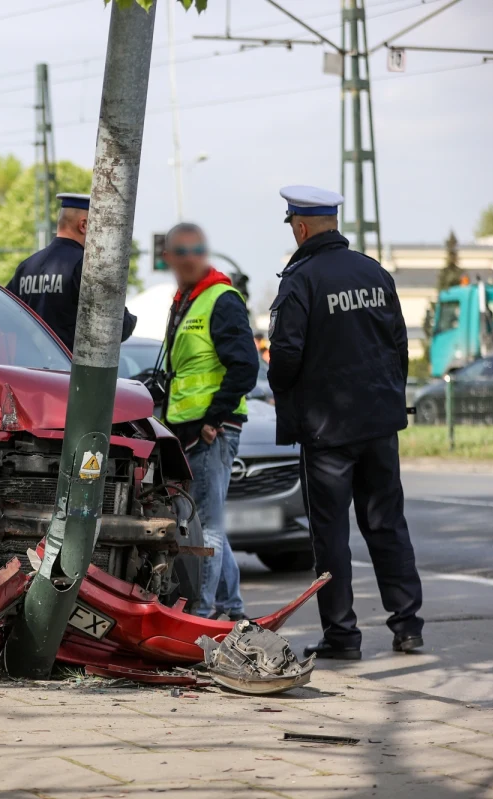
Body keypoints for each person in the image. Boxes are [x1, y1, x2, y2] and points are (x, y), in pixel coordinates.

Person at [267, 185, 424, 660]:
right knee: (388, 525)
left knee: (331, 536)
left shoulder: (301, 280)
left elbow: (285, 356)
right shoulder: (375, 273)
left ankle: (343, 635)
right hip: (379, 425)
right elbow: (400, 347)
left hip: (327, 432)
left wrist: (287, 394)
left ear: (300, 227)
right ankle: (408, 627)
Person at [160, 223, 259, 620]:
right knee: (208, 521)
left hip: (211, 430)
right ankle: (233, 609)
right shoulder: (185, 300)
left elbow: (246, 366)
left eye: (197, 249)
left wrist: (214, 418)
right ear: (168, 257)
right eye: (181, 251)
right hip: (189, 429)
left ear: (207, 253)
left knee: (207, 528)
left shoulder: (220, 299)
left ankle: (201, 615)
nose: (190, 257)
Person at [6, 193, 136, 352]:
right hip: (70, 372)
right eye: (101, 226)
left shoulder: (26, 266)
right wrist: (130, 320)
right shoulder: (87, 266)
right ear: (84, 225)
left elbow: (5, 321)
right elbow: (115, 327)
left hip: (30, 371)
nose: (104, 234)